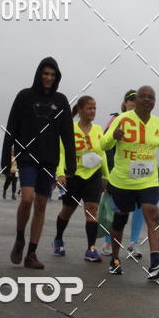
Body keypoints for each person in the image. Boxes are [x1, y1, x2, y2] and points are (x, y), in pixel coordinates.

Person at [100, 85, 159, 279]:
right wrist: (113, 137)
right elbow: (103, 143)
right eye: (144, 96)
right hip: (123, 181)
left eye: (152, 97)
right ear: (137, 99)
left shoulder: (158, 124)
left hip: (147, 180)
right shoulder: (122, 120)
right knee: (120, 220)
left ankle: (155, 263)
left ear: (154, 103)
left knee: (153, 214)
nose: (148, 100)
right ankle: (114, 259)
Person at [2, 57, 76, 269]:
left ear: (56, 77)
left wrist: (70, 164)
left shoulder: (61, 101)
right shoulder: (24, 96)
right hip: (27, 158)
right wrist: (7, 159)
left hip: (49, 160)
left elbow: (68, 135)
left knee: (41, 205)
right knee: (27, 199)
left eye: (52, 75)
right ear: (38, 74)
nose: (48, 78)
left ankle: (31, 253)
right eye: (45, 73)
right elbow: (11, 128)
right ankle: (19, 238)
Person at [53, 95, 108, 261]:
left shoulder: (98, 130)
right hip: (74, 175)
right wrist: (60, 173)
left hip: (93, 176)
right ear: (81, 109)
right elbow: (61, 152)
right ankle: (58, 239)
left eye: (95, 108)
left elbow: (102, 153)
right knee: (67, 211)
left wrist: (106, 175)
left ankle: (91, 249)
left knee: (91, 210)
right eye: (89, 108)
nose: (92, 111)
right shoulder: (70, 128)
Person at [101, 90, 145, 259]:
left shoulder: (144, 123)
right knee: (114, 210)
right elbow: (104, 146)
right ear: (125, 102)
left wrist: (157, 172)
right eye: (131, 99)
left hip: (139, 174)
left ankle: (133, 243)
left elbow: (147, 150)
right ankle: (108, 242)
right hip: (117, 174)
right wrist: (108, 172)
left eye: (137, 99)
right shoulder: (116, 120)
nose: (134, 102)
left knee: (140, 208)